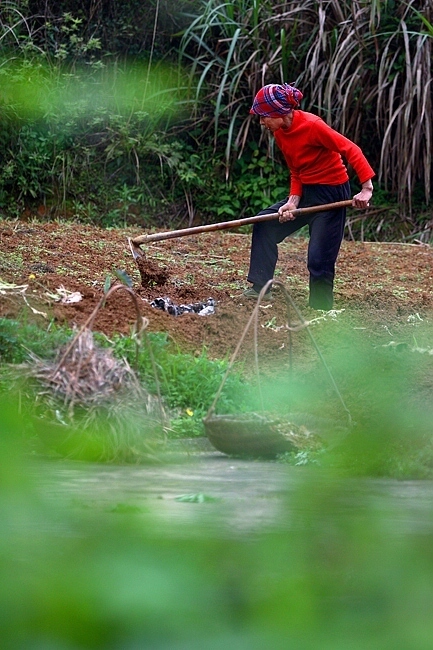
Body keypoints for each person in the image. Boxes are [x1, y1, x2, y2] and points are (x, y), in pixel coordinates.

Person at [243, 82, 375, 310]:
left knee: (319, 258)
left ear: (279, 112)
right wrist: (292, 201)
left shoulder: (313, 125)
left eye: (264, 116)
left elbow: (351, 149)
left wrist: (366, 188)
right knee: (265, 224)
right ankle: (260, 288)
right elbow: (296, 170)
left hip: (331, 194)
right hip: (307, 192)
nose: (261, 122)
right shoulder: (280, 132)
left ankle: (321, 310)